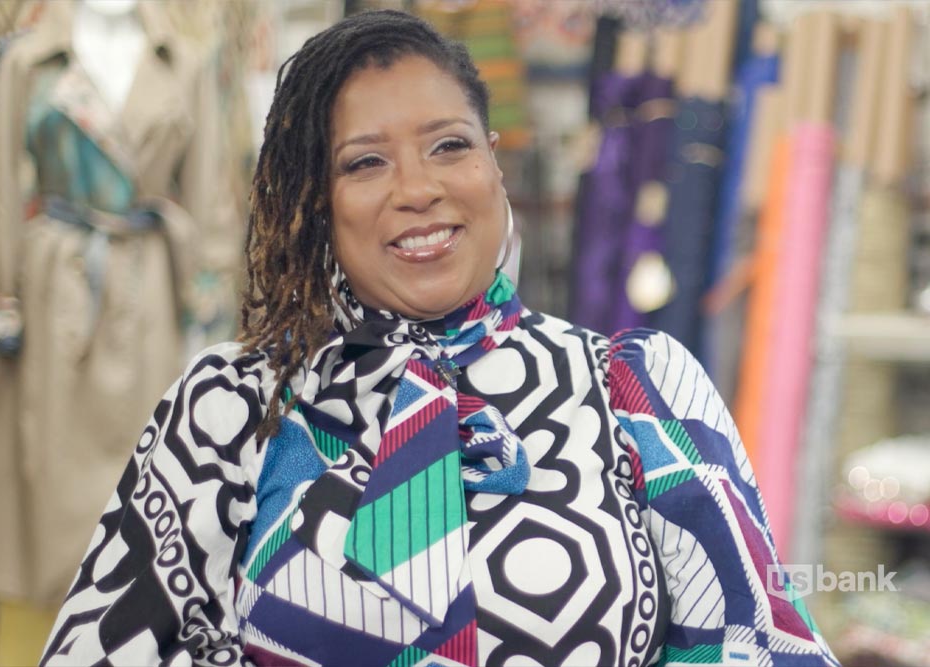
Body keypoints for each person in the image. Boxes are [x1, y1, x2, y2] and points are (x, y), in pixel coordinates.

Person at [41, 10, 839, 667]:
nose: (418, 188)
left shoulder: (633, 388)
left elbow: (754, 643)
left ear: (493, 165)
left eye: (448, 145)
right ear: (317, 201)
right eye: (364, 164)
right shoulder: (234, 409)